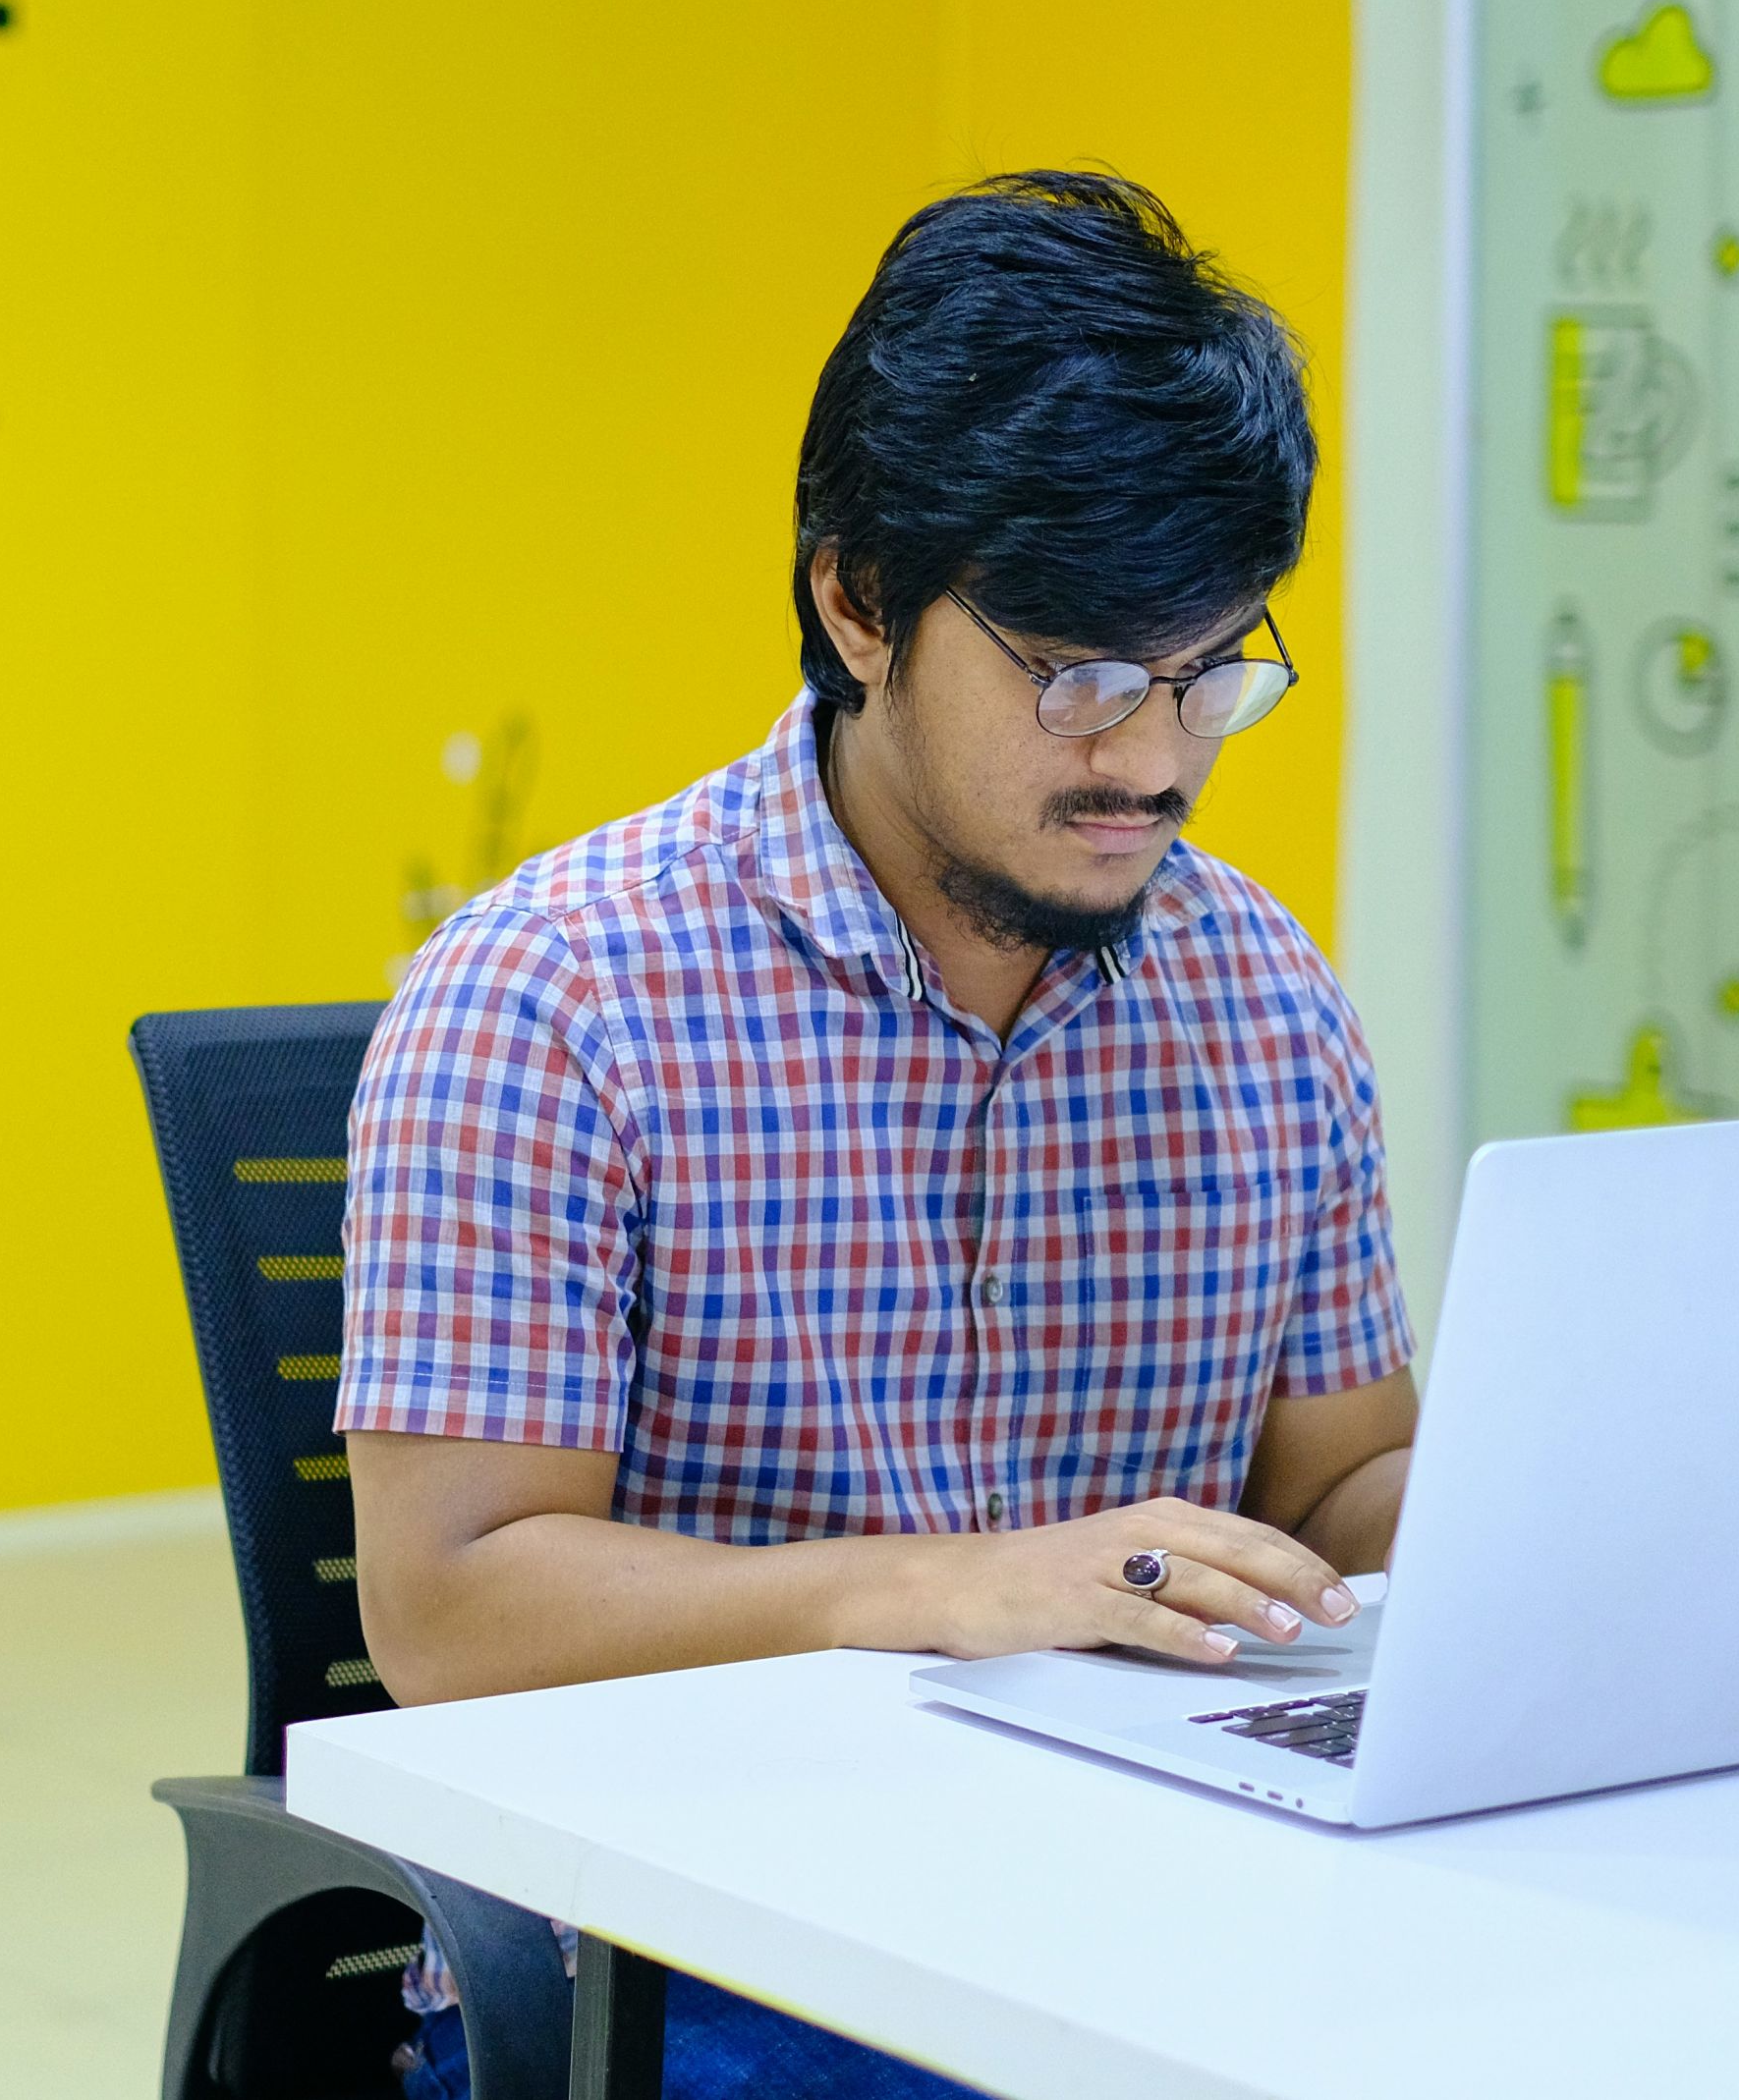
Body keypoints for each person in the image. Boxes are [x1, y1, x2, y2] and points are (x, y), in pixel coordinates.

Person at [339, 171, 1415, 2100]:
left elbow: (1342, 1494)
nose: (1154, 757)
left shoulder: (1258, 989)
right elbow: (448, 1608)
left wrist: (1590, 1540)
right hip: (699, 1959)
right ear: (855, 601)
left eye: (1211, 668)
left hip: (1159, 1898)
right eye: (1076, 673)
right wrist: (945, 1581)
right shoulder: (552, 998)